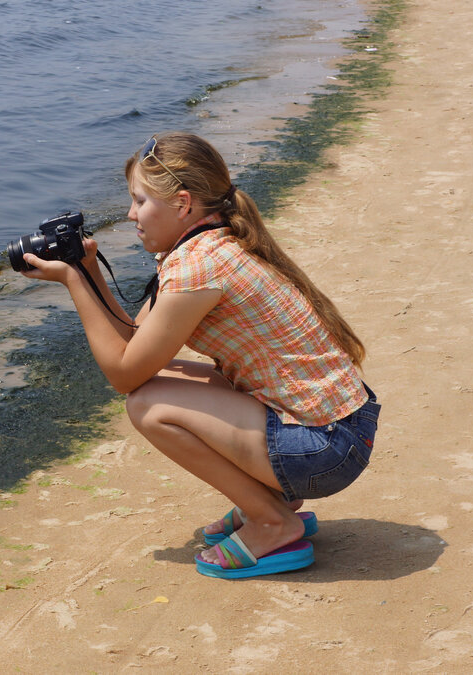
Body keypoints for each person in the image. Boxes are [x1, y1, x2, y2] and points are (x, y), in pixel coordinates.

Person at [19, 132, 380, 579]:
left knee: (147, 405)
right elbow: (136, 341)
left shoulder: (197, 267)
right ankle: (271, 501)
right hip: (340, 428)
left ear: (182, 203)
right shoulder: (209, 243)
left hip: (325, 450)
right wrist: (89, 271)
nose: (131, 215)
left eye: (139, 201)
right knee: (169, 376)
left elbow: (123, 374)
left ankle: (271, 521)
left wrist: (74, 286)